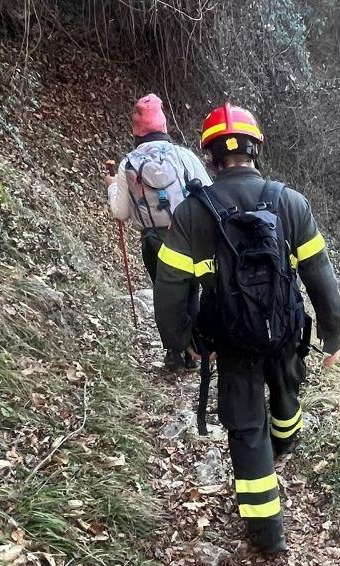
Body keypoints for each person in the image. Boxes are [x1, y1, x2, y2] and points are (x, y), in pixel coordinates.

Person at [154, 103, 340, 554]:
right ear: (255, 148)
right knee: (286, 394)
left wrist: (183, 341)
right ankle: (287, 440)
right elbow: (319, 273)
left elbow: (169, 286)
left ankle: (266, 533)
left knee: (244, 429)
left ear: (211, 156)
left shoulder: (193, 214)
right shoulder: (290, 202)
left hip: (231, 339)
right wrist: (331, 333)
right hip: (285, 330)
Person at [105, 93, 211, 370]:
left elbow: (120, 212)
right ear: (164, 127)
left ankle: (174, 352)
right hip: (189, 236)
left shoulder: (127, 164)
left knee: (165, 294)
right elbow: (209, 193)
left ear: (136, 130)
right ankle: (194, 347)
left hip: (153, 240)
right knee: (191, 289)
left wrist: (111, 186)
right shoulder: (185, 157)